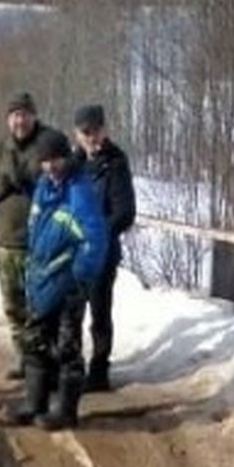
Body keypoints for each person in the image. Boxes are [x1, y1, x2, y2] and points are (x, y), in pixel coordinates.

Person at [10, 128, 108, 430]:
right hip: (42, 276)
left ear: (66, 158)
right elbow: (35, 227)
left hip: (68, 280)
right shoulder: (43, 187)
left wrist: (80, 274)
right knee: (36, 340)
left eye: (56, 159)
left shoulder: (79, 190)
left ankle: (66, 410)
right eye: (46, 160)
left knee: (67, 344)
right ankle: (35, 401)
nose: (51, 165)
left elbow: (95, 238)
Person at [0, 92, 58, 380]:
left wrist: (33, 182)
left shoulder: (48, 143)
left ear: (33, 115)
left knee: (43, 306)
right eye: (14, 115)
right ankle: (24, 357)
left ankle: (46, 361)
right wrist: (4, 185)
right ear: (8, 119)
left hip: (41, 243)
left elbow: (63, 179)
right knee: (14, 306)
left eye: (24, 114)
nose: (20, 120)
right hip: (7, 242)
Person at [71, 104, 137, 392]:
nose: (92, 138)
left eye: (96, 131)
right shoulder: (71, 165)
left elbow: (125, 211)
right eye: (86, 132)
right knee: (71, 313)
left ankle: (99, 371)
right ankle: (71, 369)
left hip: (101, 253)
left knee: (100, 313)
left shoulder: (116, 162)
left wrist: (96, 233)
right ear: (76, 134)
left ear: (104, 130)